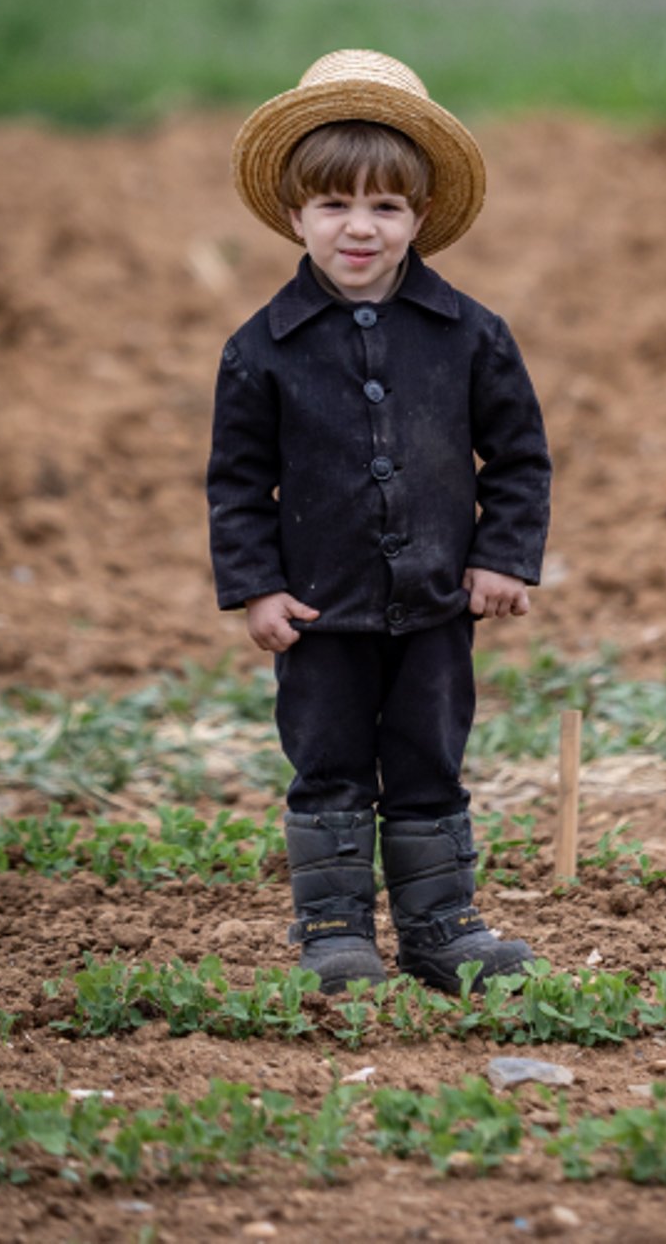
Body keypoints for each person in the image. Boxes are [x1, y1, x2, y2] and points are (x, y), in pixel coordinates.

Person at [207, 50, 551, 994]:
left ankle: (442, 931)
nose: (359, 227)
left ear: (422, 215)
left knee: (430, 763)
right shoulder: (259, 352)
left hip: (437, 604)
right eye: (334, 205)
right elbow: (237, 485)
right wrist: (257, 588)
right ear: (294, 214)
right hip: (318, 615)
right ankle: (334, 934)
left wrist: (502, 558)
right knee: (327, 767)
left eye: (385, 207)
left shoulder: (473, 336)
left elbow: (517, 458)